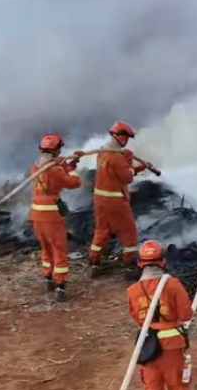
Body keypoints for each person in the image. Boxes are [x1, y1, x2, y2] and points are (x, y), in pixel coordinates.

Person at [127, 242, 197, 390]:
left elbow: (137, 317)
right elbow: (186, 315)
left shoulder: (133, 290)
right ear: (163, 261)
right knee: (178, 387)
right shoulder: (172, 285)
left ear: (139, 263)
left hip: (147, 347)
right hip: (171, 347)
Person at [87, 123, 153, 270]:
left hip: (100, 200)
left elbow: (116, 174)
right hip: (115, 201)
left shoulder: (102, 152)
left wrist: (141, 167)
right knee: (129, 233)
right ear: (122, 137)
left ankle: (94, 262)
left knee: (101, 230)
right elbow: (127, 178)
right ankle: (130, 266)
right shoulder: (117, 158)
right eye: (127, 138)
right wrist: (129, 161)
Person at [29, 134, 82, 303]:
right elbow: (74, 182)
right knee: (58, 248)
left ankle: (47, 279)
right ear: (57, 149)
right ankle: (60, 286)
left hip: (36, 213)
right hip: (51, 214)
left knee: (45, 246)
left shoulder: (35, 167)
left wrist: (69, 162)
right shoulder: (54, 169)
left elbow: (57, 172)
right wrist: (73, 168)